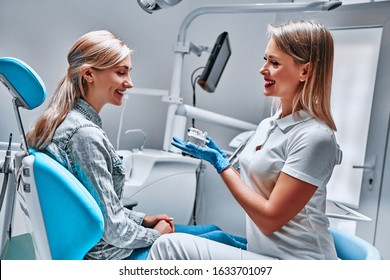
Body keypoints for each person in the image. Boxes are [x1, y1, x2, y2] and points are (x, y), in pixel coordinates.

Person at [26, 30, 242, 260]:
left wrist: (142, 220)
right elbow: (112, 229)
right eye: (121, 73)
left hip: (105, 244)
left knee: (213, 232)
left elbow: (102, 209)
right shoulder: (85, 136)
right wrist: (155, 235)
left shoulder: (71, 123)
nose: (129, 83)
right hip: (108, 255)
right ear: (89, 74)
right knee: (221, 240)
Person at [148, 19, 342, 260]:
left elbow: (269, 219)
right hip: (265, 253)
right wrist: (220, 159)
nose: (263, 69)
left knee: (168, 247)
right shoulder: (268, 125)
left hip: (300, 263)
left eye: (274, 63)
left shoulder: (315, 137)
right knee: (210, 234)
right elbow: (257, 185)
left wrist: (221, 165)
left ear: (305, 71)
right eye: (265, 60)